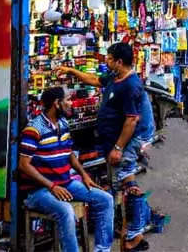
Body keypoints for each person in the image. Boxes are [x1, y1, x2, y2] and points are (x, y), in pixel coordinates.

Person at [56, 43, 153, 251]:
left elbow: (131, 120)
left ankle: (134, 236)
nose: (105, 61)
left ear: (119, 62)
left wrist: (118, 148)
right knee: (127, 187)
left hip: (124, 146)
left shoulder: (130, 86)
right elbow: (94, 80)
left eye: (109, 58)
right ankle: (133, 235)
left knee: (126, 189)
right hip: (114, 143)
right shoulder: (115, 78)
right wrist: (71, 70)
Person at [19, 87, 113, 252]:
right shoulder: (34, 129)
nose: (71, 103)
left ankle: (102, 249)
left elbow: (69, 153)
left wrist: (84, 175)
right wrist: (52, 186)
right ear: (57, 103)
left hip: (65, 183)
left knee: (105, 199)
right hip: (39, 191)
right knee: (66, 211)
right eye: (68, 100)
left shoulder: (63, 123)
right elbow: (24, 164)